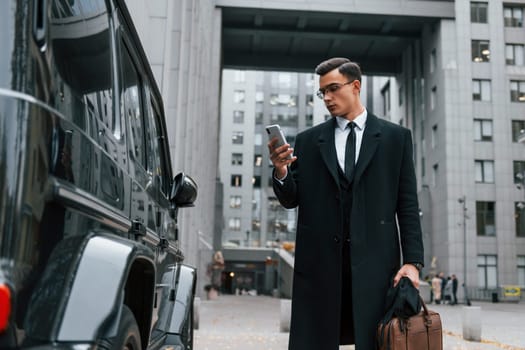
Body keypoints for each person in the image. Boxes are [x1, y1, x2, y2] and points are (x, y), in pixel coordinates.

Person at [268, 57, 424, 350]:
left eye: (333, 88)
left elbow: (407, 205)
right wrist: (281, 171)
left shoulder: (395, 138)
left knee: (375, 342)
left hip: (376, 267)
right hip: (320, 267)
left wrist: (413, 262)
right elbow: (291, 199)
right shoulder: (309, 141)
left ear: (355, 86)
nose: (326, 97)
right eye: (321, 92)